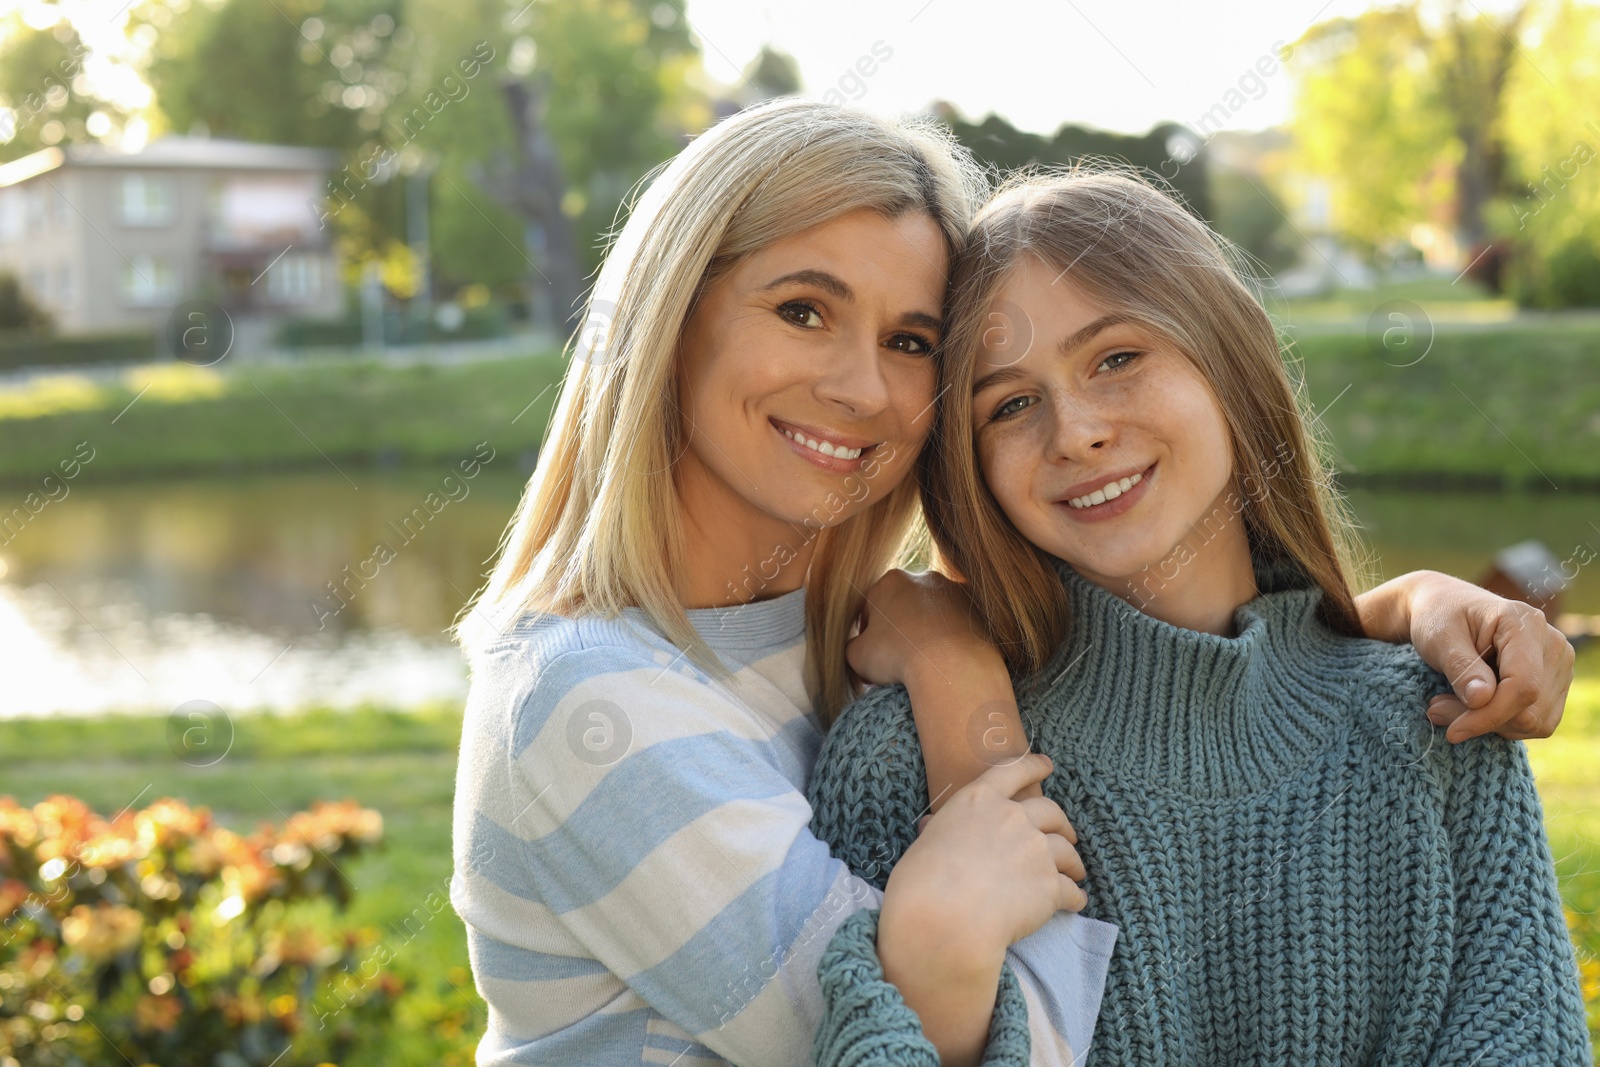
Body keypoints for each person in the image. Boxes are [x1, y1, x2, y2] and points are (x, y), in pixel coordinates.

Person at [449, 98, 1576, 1067]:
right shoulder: (607, 702)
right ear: (664, 324)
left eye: (906, 341)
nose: (858, 384)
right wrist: (953, 679)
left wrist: (1385, 619)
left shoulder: (825, 636)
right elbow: (944, 1027)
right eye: (803, 309)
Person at [806, 168, 1593, 1065]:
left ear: (1228, 357)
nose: (1075, 433)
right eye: (1012, 404)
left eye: (1116, 357)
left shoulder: (1444, 717)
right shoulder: (899, 760)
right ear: (967, 465)